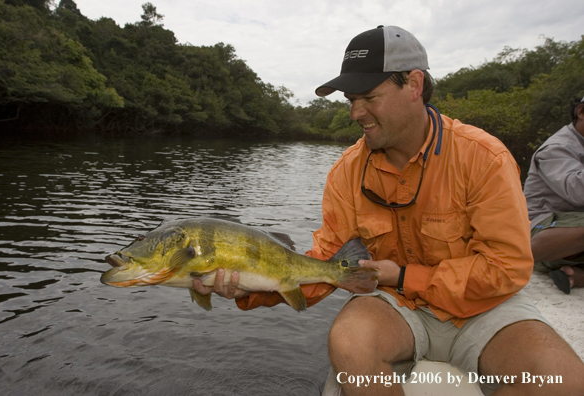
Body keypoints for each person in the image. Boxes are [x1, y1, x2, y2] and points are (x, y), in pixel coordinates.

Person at [194, 26, 584, 395]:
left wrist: (403, 275)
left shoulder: (484, 158)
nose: (355, 113)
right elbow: (325, 262)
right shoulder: (346, 171)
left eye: (368, 97)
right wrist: (250, 286)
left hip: (484, 307)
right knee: (349, 344)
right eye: (351, 100)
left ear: (413, 84)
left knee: (565, 382)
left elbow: (507, 267)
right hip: (395, 307)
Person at [523, 96, 584, 294]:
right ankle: (508, 256)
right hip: (543, 229)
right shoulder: (555, 149)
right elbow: (578, 192)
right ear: (581, 112)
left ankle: (573, 275)